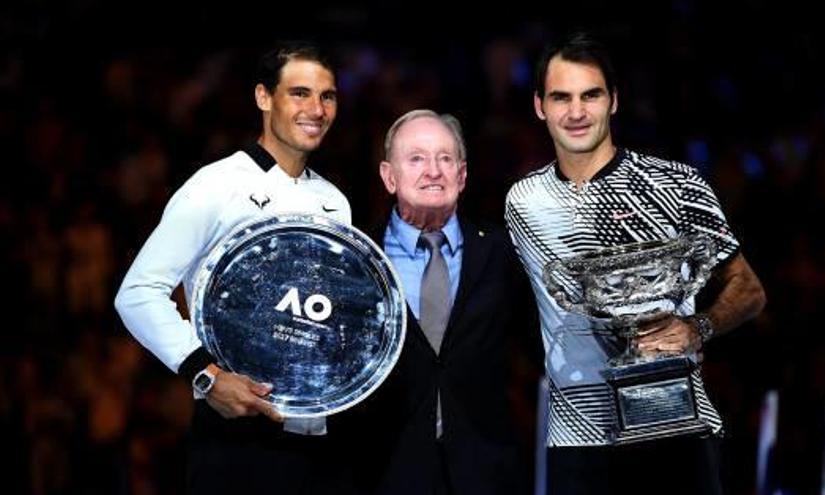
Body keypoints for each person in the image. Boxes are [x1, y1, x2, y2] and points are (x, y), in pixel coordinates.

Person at [504, 33, 767, 495]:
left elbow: (749, 289)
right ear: (540, 106)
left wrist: (697, 328)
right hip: (578, 437)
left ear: (614, 101)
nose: (577, 112)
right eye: (561, 97)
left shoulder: (676, 183)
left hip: (677, 424)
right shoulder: (522, 202)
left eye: (591, 95)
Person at [114, 40, 357, 494]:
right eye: (299, 93)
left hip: (318, 439)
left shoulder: (334, 203)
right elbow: (138, 293)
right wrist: (206, 376)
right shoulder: (216, 185)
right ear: (264, 98)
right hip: (237, 439)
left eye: (328, 96)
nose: (317, 109)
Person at [353, 109, 535, 495]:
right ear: (389, 176)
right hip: (382, 470)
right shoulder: (355, 258)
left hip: (488, 472)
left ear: (462, 175)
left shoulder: (502, 252)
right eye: (416, 158)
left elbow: (540, 347)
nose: (433, 171)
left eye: (445, 158)